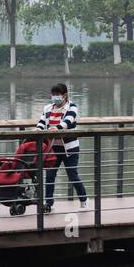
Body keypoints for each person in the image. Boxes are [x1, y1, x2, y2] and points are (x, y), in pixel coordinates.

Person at [36, 82, 86, 212]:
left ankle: (83, 199)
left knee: (72, 175)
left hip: (70, 148)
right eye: (53, 95)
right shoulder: (48, 108)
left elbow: (68, 121)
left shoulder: (72, 107)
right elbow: (42, 122)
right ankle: (49, 203)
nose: (55, 97)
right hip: (53, 148)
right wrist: (38, 130)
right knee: (50, 175)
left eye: (57, 95)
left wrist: (56, 128)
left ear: (65, 95)